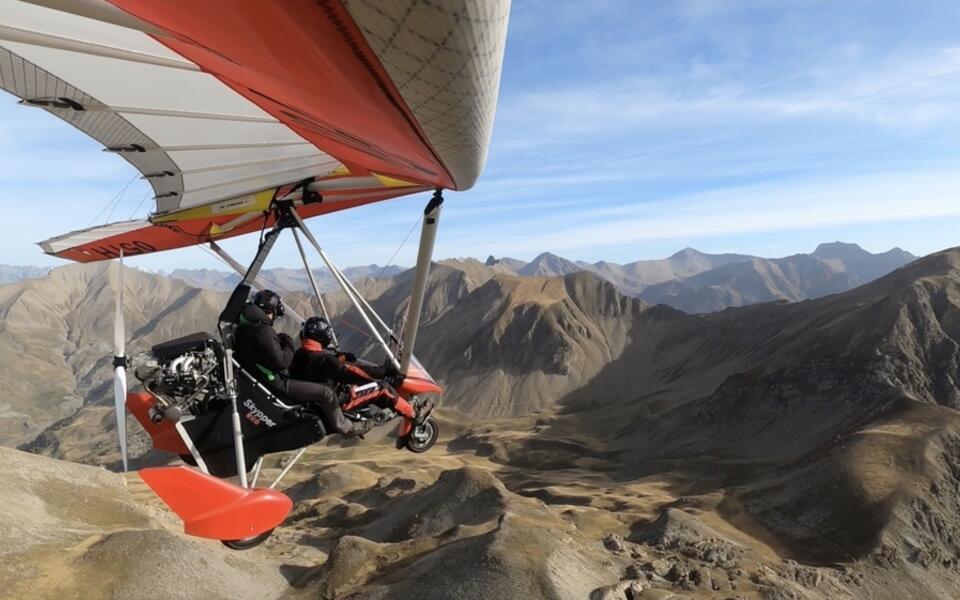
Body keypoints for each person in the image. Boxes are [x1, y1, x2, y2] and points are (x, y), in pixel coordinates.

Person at [233, 290, 371, 437]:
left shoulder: (244, 328)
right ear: (271, 311)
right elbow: (283, 361)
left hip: (263, 383)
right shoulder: (263, 331)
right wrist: (288, 343)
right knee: (327, 393)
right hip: (278, 385)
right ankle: (346, 428)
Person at [290, 316, 433, 424]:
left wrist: (340, 357)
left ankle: (385, 409)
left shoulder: (299, 355)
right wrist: (382, 372)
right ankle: (415, 415)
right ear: (323, 336)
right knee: (383, 388)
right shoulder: (325, 360)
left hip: (316, 401)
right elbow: (351, 373)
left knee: (369, 389)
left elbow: (320, 367)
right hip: (340, 401)